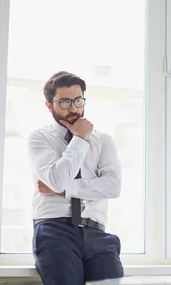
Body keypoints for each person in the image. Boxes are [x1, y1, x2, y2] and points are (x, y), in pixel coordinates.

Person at [27, 71, 124, 285]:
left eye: (78, 100)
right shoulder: (39, 138)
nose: (73, 108)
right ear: (49, 105)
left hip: (97, 233)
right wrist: (80, 138)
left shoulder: (103, 140)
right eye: (64, 102)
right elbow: (59, 178)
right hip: (55, 231)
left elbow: (113, 186)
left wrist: (63, 191)